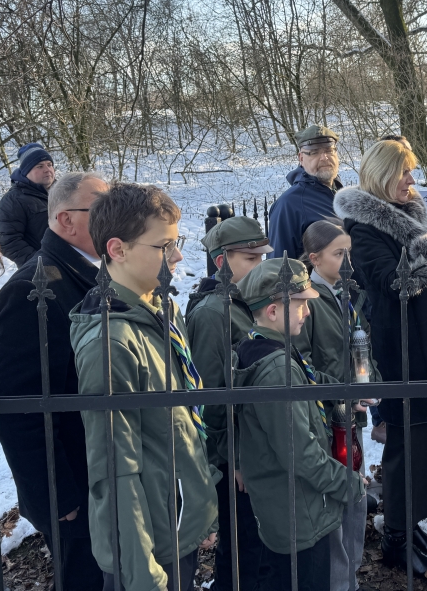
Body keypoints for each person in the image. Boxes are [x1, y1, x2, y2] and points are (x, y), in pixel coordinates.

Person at [334, 140, 427, 575]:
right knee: (406, 447)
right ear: (382, 173)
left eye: (412, 171)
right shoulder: (362, 227)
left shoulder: (408, 212)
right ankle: (396, 537)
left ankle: (411, 523)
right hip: (400, 350)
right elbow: (395, 283)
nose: (411, 180)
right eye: (404, 172)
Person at [70, 183, 217, 591]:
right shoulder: (111, 342)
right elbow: (115, 468)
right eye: (164, 246)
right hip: (147, 544)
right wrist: (141, 574)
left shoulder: (160, 307)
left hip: (174, 521)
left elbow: (182, 419)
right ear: (117, 249)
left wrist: (200, 506)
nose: (178, 257)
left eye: (176, 244)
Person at [0, 172, 109, 590]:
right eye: (101, 208)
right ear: (65, 219)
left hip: (109, 474)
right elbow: (19, 408)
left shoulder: (97, 272)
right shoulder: (33, 288)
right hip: (78, 488)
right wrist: (54, 495)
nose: (114, 217)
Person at [232, 258, 364, 591]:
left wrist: (342, 392)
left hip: (287, 506)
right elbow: (300, 453)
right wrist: (350, 484)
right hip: (300, 514)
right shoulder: (278, 369)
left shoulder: (262, 347)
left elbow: (309, 380)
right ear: (273, 311)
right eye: (301, 304)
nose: (307, 311)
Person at [185, 216, 272, 591]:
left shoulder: (242, 301)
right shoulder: (212, 313)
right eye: (250, 259)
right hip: (232, 456)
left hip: (253, 445)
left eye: (262, 257)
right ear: (221, 262)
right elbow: (212, 398)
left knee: (259, 544)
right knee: (243, 550)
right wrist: (233, 458)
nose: (260, 265)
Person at [297, 219, 380, 591]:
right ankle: (337, 581)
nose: (348, 261)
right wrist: (341, 393)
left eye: (349, 252)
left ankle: (351, 576)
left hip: (352, 416)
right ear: (314, 258)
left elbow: (363, 349)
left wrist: (371, 383)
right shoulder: (308, 301)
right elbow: (302, 364)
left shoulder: (347, 294)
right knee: (336, 499)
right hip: (326, 420)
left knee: (355, 496)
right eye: (338, 254)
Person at [268, 125, 344, 261]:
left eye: (329, 150)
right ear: (301, 158)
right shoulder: (289, 204)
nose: (324, 157)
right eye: (314, 152)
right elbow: (278, 265)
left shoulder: (344, 196)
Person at [0, 142, 56, 268]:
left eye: (49, 164)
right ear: (26, 171)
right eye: (40, 166)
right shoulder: (13, 200)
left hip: (72, 266)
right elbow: (9, 242)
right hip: (42, 272)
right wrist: (41, 265)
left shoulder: (64, 193)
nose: (47, 170)